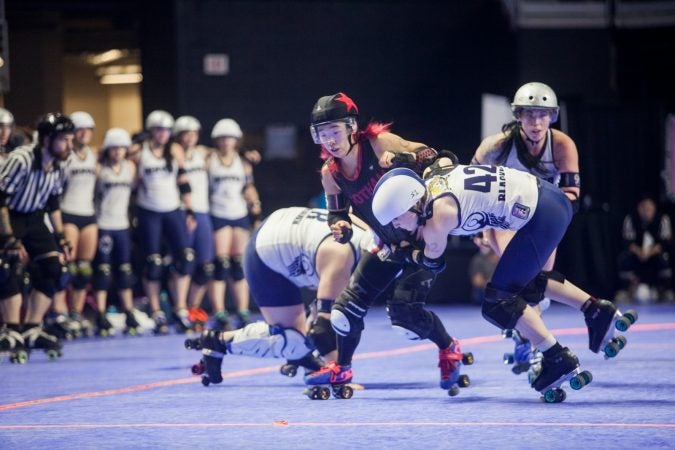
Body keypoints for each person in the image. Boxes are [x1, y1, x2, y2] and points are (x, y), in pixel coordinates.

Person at [371, 162, 638, 402]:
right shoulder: (432, 179)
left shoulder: (439, 215)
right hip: (549, 200)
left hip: (540, 215)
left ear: (414, 202)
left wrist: (402, 251)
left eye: (397, 217)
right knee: (526, 281)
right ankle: (596, 310)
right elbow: (447, 162)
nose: (398, 226)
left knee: (497, 303)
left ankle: (557, 357)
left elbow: (433, 262)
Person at [302, 92, 472, 397]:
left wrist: (404, 160)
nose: (329, 140)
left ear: (351, 127)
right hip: (388, 244)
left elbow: (444, 159)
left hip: (422, 238)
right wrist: (339, 226)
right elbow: (337, 213)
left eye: (334, 132)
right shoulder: (331, 174)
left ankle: (449, 348)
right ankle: (343, 366)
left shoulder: (381, 143)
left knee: (404, 315)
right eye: (322, 134)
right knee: (343, 312)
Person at [184, 206, 368, 388]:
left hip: (290, 234)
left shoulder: (370, 237)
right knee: (294, 340)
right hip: (267, 249)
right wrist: (340, 375)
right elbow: (323, 329)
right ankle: (218, 342)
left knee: (311, 335)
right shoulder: (341, 257)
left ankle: (301, 355)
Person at [471, 82, 580, 372]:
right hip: (505, 219)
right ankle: (535, 347)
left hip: (544, 220)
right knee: (523, 281)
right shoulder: (496, 146)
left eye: (542, 115)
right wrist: (479, 227)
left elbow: (572, 199)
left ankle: (524, 337)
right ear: (518, 115)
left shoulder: (561, 144)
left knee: (538, 287)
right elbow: (470, 188)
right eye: (530, 115)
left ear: (552, 117)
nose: (536, 122)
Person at [0, 113, 76, 362]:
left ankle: (32, 327)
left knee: (56, 269)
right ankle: (11, 329)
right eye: (64, 140)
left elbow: (53, 202)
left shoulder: (60, 162)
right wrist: (9, 237)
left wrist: (61, 236)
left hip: (34, 217)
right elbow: (1, 198)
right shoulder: (21, 159)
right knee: (7, 267)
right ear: (47, 139)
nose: (69, 146)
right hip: (9, 216)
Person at [130, 110, 195, 334]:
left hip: (173, 209)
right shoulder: (140, 151)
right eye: (158, 130)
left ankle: (180, 308)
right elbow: (131, 182)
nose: (162, 134)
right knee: (153, 263)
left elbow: (184, 182)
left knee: (185, 259)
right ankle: (157, 311)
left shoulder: (175, 150)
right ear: (151, 131)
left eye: (166, 130)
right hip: (149, 211)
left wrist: (190, 211)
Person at [206, 118, 262, 330]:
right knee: (221, 265)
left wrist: (255, 207)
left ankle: (243, 310)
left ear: (236, 140)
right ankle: (219, 312)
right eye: (222, 138)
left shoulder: (243, 162)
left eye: (230, 138)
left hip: (238, 212)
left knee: (239, 266)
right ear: (217, 140)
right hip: (218, 212)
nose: (226, 142)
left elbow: (248, 186)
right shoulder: (209, 158)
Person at [50, 111, 99, 337]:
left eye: (87, 130)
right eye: (79, 130)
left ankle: (76, 313)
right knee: (65, 268)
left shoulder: (94, 155)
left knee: (84, 270)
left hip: (88, 214)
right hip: (68, 213)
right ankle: (59, 312)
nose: (84, 134)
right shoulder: (64, 156)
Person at [92, 128, 143, 335]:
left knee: (124, 270)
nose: (117, 152)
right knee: (103, 270)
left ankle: (128, 310)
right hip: (103, 223)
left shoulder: (130, 167)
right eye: (113, 149)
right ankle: (101, 312)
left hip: (122, 225)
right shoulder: (99, 169)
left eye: (121, 148)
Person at [617, 195, 673, 303]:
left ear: (654, 208)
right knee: (624, 258)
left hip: (654, 256)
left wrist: (649, 253)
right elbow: (627, 242)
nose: (646, 212)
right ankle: (626, 290)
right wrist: (640, 253)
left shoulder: (662, 219)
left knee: (665, 258)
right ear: (638, 208)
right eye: (643, 209)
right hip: (637, 255)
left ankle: (665, 290)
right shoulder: (631, 219)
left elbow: (664, 242)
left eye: (649, 209)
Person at [468, 232, 499, 304]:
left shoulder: (504, 258)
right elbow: (477, 281)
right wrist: (493, 286)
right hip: (485, 291)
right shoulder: (478, 259)